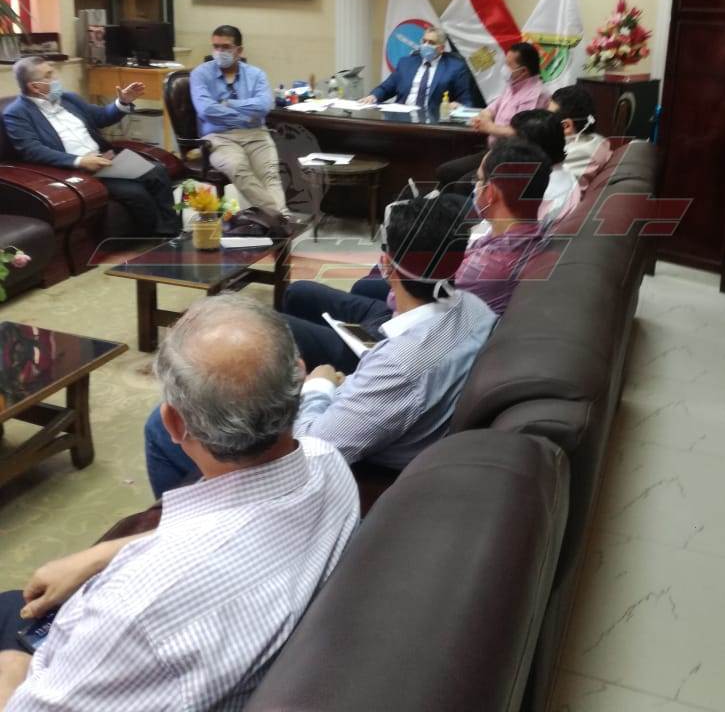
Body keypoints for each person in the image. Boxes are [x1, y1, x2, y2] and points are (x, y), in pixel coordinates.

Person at [0, 296, 359, 711]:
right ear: (298, 377)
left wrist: (12, 670)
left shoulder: (136, 609)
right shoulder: (328, 461)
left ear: (173, 423)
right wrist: (100, 554)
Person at [144, 195, 497, 489]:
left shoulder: (400, 368)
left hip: (344, 465)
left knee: (160, 428)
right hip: (384, 411)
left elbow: (312, 449)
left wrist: (319, 385)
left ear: (386, 265)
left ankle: (181, 522)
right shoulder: (476, 309)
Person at [283, 140, 552, 374]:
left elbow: (409, 296)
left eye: (479, 181)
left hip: (402, 340)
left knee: (284, 326)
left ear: (490, 193)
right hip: (412, 318)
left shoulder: (490, 266)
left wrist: (395, 268)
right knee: (301, 292)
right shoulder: (525, 235)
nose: (474, 187)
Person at [4, 56, 180, 238]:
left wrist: (123, 102)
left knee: (157, 171)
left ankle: (171, 231)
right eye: (49, 75)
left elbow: (101, 117)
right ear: (35, 87)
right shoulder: (17, 113)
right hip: (75, 171)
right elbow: (32, 150)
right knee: (136, 193)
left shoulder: (69, 99)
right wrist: (79, 161)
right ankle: (159, 237)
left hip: (105, 161)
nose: (56, 78)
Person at [189, 25, 286, 214]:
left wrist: (229, 104)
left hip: (256, 134)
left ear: (239, 50)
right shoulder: (200, 74)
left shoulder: (256, 75)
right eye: (216, 46)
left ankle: (277, 221)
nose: (219, 52)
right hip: (219, 137)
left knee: (270, 175)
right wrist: (247, 114)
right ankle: (280, 217)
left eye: (226, 47)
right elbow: (206, 110)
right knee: (238, 168)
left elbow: (265, 106)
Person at [436, 41, 550, 190]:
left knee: (462, 185)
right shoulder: (513, 86)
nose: (504, 68)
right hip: (493, 151)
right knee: (445, 171)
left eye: (509, 65)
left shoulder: (536, 94)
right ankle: (437, 201)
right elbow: (489, 110)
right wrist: (485, 119)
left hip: (512, 157)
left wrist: (489, 127)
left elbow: (522, 132)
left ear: (523, 71)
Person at [363, 28, 474, 111]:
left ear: (441, 48)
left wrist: (457, 105)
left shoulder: (456, 67)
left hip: (434, 122)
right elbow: (386, 87)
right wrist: (373, 96)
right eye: (424, 41)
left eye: (431, 43)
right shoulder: (406, 63)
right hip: (402, 118)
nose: (425, 45)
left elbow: (466, 101)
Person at [510, 108, 581, 226]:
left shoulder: (540, 195)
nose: (507, 146)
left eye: (513, 141)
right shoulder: (563, 171)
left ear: (530, 149)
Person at [547, 85, 613, 190]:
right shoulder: (598, 140)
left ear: (566, 126)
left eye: (549, 118)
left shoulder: (577, 156)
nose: (545, 122)